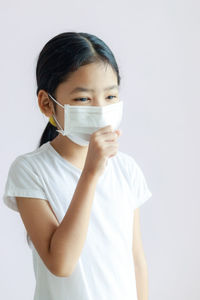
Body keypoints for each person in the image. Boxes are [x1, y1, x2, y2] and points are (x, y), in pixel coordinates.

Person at [3, 32, 152, 300]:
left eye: (110, 96)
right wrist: (91, 173)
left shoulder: (126, 169)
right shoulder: (30, 171)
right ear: (47, 103)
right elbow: (61, 264)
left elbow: (136, 259)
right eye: (83, 99)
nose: (100, 109)